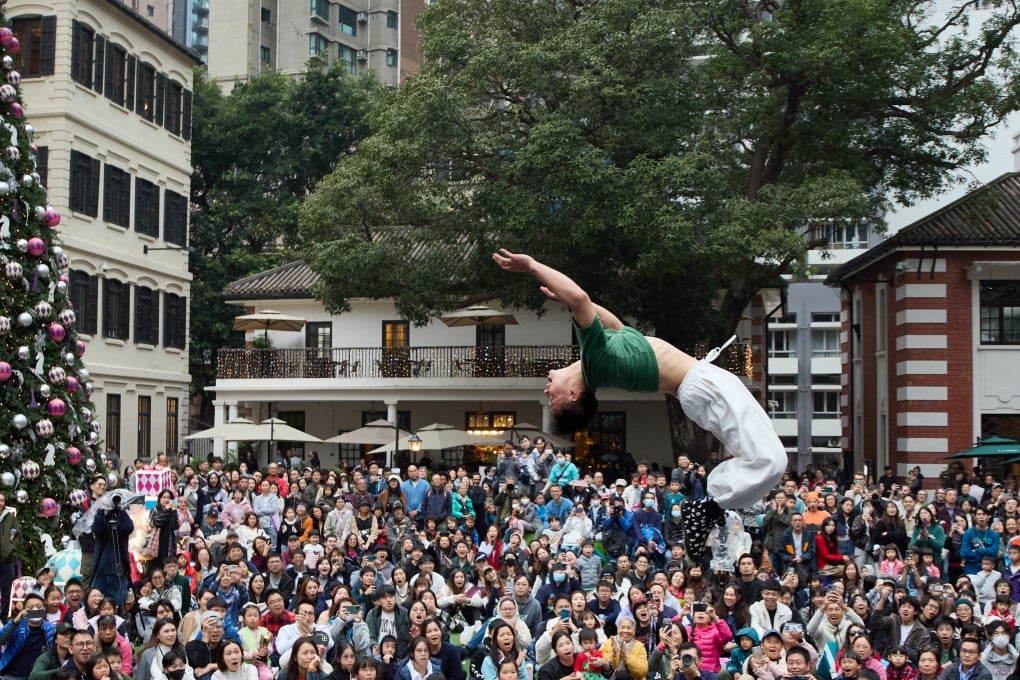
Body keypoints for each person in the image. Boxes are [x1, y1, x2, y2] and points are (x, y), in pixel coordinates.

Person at [493, 250, 785, 550]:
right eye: (552, 400)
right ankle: (708, 506)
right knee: (772, 460)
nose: (545, 391)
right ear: (573, 394)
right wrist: (531, 266)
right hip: (702, 385)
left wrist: (569, 299)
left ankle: (711, 506)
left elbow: (613, 323)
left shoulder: (600, 353)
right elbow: (580, 298)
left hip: (702, 386)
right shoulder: (595, 360)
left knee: (767, 457)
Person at [0, 592, 56, 680]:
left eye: (38, 607)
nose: (35, 609)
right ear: (24, 610)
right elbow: (1, 640)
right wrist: (15, 622)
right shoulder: (17, 626)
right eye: (30, 607)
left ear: (44, 609)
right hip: (11, 675)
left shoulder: (52, 629)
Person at [92, 495, 135, 609]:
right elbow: (96, 528)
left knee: (118, 604)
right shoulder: (103, 517)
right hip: (102, 568)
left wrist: (121, 510)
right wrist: (102, 510)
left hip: (119, 570)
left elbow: (128, 527)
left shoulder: (121, 517)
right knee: (98, 604)